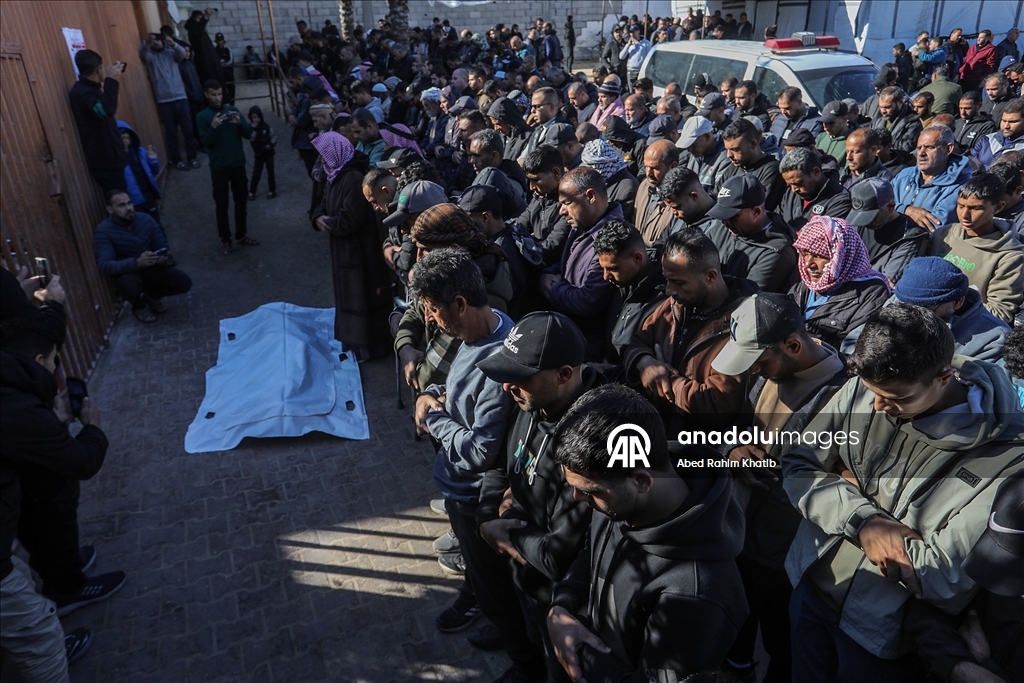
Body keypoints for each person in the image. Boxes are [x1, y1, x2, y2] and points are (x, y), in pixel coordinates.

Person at [783, 303, 1024, 682]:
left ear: (944, 378)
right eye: (871, 393)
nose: (878, 407)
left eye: (896, 398)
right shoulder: (871, 384)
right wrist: (866, 522)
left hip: (880, 635)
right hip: (809, 585)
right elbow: (798, 464)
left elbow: (943, 578)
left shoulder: (1009, 458)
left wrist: (838, 481)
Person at [546, 383, 749, 682]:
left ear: (641, 481)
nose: (577, 497)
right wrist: (561, 605)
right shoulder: (617, 495)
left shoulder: (697, 593)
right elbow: (591, 551)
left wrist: (574, 644)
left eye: (589, 490)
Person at [412, 248, 546, 683]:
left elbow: (479, 452)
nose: (430, 319)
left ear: (460, 304)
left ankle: (524, 662)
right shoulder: (489, 329)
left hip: (475, 500)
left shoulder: (496, 361)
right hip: (467, 494)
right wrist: (435, 394)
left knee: (497, 594)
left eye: (433, 310)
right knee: (491, 583)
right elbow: (460, 396)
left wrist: (433, 418)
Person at [710, 292, 848, 683]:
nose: (752, 372)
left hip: (783, 553)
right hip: (741, 534)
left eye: (759, 362)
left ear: (793, 345)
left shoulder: (844, 398)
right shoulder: (769, 370)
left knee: (781, 645)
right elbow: (733, 427)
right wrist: (732, 450)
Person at [475, 312, 597, 681]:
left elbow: (558, 556)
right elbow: (500, 468)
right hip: (523, 581)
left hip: (561, 605)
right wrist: (486, 516)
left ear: (564, 374)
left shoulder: (589, 446)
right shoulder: (533, 403)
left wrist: (504, 525)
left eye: (519, 376)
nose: (505, 386)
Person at [1, 317, 112, 681]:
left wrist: (56, 422)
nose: (54, 368)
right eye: (53, 361)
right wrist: (92, 428)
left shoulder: (12, 393)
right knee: (40, 636)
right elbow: (81, 462)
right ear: (38, 360)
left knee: (22, 579)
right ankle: (61, 608)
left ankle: (60, 581)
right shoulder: (16, 406)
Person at [623, 227, 756, 432]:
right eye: (667, 280)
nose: (669, 290)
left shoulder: (743, 323)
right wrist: (644, 362)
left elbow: (718, 404)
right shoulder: (673, 305)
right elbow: (638, 342)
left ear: (710, 276)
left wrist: (664, 382)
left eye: (679, 282)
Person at [311, 132, 392, 359]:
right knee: (348, 296)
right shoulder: (335, 175)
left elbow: (350, 219)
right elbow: (323, 204)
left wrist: (328, 223)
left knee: (362, 298)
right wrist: (318, 218)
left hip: (360, 253)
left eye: (325, 155)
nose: (323, 160)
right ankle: (354, 343)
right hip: (344, 252)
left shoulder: (354, 179)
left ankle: (370, 347)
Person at [841, 256, 1012, 362]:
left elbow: (977, 391)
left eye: (924, 310)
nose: (910, 314)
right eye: (904, 306)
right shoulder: (902, 300)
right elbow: (853, 343)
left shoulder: (994, 337)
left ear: (958, 301)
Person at [541, 168, 621, 361]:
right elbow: (566, 264)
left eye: (567, 203)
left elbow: (587, 301)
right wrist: (547, 274)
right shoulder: (583, 224)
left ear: (590, 196)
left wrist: (553, 288)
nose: (561, 211)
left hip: (584, 349)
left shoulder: (610, 242)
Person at [929, 172, 1024, 325]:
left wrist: (949, 306)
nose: (964, 215)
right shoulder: (943, 234)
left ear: (998, 207)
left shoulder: (1009, 257)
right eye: (960, 206)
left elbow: (1000, 312)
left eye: (975, 208)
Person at [789, 215, 891, 349]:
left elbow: (853, 350)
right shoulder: (808, 282)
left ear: (842, 255)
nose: (808, 264)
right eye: (806, 254)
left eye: (818, 255)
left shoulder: (871, 293)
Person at [94, 191, 192, 323]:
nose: (128, 208)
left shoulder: (145, 219)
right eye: (121, 205)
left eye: (129, 203)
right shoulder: (104, 231)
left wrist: (162, 258)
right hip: (128, 272)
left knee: (184, 282)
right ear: (110, 209)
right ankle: (139, 307)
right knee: (128, 284)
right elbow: (105, 265)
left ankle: (152, 297)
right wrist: (136, 262)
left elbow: (162, 246)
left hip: (152, 268)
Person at [196, 80, 259, 255]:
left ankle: (241, 235)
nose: (217, 98)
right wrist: (214, 127)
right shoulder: (202, 116)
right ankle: (225, 240)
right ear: (206, 95)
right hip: (219, 167)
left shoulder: (232, 110)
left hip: (237, 164)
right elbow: (206, 142)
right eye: (213, 95)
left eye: (220, 94)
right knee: (221, 204)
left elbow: (248, 134)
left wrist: (240, 123)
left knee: (241, 201)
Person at [705, 174, 797, 293]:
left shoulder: (777, 251)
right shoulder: (725, 226)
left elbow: (746, 296)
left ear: (756, 212)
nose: (725, 221)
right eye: (722, 214)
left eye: (732, 216)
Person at [593, 220, 665, 369]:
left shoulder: (663, 298)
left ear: (637, 258)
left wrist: (607, 372)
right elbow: (600, 329)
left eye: (613, 269)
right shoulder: (621, 283)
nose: (605, 277)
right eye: (603, 269)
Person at [845, 177, 928, 283]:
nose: (864, 222)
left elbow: (886, 283)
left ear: (891, 207)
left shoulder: (910, 236)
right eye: (859, 216)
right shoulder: (858, 224)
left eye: (870, 216)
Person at [892, 124, 975, 231]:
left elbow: (934, 226)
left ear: (948, 149)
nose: (921, 153)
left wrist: (892, 212)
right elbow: (879, 207)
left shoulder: (961, 185)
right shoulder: (904, 175)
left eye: (929, 147)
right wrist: (906, 209)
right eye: (919, 148)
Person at [68, 49, 128, 193]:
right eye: (102, 67)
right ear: (97, 69)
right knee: (119, 201)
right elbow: (106, 110)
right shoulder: (82, 92)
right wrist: (112, 80)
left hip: (113, 159)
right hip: (106, 164)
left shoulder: (91, 89)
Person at [138, 32, 199, 170]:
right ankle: (177, 160)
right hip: (164, 101)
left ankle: (192, 158)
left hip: (181, 98)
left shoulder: (171, 54)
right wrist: (146, 43)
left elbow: (182, 53)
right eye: (154, 41)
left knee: (188, 130)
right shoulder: (150, 57)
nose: (157, 43)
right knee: (171, 133)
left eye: (159, 40)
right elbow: (142, 54)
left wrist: (174, 44)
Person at [716, 118, 786, 211]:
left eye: (735, 149)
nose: (729, 155)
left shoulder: (772, 170)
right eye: (727, 149)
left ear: (752, 144)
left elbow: (759, 210)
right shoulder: (734, 167)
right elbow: (714, 198)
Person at [521, 145, 572, 265]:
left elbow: (551, 248)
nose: (531, 187)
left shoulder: (570, 204)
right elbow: (519, 226)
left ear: (555, 173)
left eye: (535, 180)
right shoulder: (539, 197)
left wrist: (528, 242)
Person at [779, 147, 853, 230]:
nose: (793, 189)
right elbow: (776, 223)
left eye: (798, 183)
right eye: (789, 184)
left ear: (816, 172)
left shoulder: (839, 201)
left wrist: (786, 233)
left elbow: (823, 235)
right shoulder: (790, 194)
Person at [116, 121, 162, 225]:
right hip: (133, 201)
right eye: (122, 138)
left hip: (149, 196)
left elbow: (155, 172)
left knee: (156, 224)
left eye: (128, 138)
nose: (126, 141)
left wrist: (153, 160)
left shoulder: (140, 152)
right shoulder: (116, 158)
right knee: (142, 226)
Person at [634, 140, 679, 244]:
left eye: (655, 168)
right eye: (646, 167)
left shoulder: (679, 200)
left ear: (673, 166)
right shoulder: (644, 186)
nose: (648, 173)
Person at [580, 138, 637, 219]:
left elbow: (616, 220)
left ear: (603, 165)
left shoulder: (627, 187)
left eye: (590, 167)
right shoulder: (602, 178)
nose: (587, 172)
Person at [973, 98, 1024, 168]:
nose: (1006, 126)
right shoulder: (986, 140)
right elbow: (970, 165)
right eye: (1004, 121)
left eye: (1013, 122)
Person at [247, 106, 276, 199]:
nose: (256, 119)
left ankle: (272, 190)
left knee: (270, 172)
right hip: (258, 153)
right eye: (254, 117)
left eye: (258, 117)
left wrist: (270, 144)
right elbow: (251, 139)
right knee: (256, 172)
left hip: (268, 153)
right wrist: (254, 129)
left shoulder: (265, 127)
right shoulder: (250, 128)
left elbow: (273, 136)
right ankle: (252, 191)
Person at [619, 24, 651, 91]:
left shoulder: (646, 43)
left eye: (633, 32)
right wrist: (628, 45)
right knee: (632, 90)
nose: (632, 34)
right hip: (631, 71)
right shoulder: (629, 44)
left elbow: (649, 57)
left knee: (641, 89)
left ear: (638, 31)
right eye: (630, 32)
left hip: (641, 70)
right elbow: (621, 56)